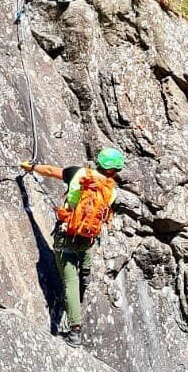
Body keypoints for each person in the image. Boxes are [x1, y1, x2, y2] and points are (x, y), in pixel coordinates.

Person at [20, 147, 125, 345]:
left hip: (66, 234)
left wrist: (31, 167)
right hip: (87, 239)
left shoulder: (78, 173)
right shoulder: (111, 191)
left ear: (99, 162)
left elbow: (50, 171)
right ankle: (85, 271)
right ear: (113, 170)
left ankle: (75, 330)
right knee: (85, 246)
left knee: (70, 283)